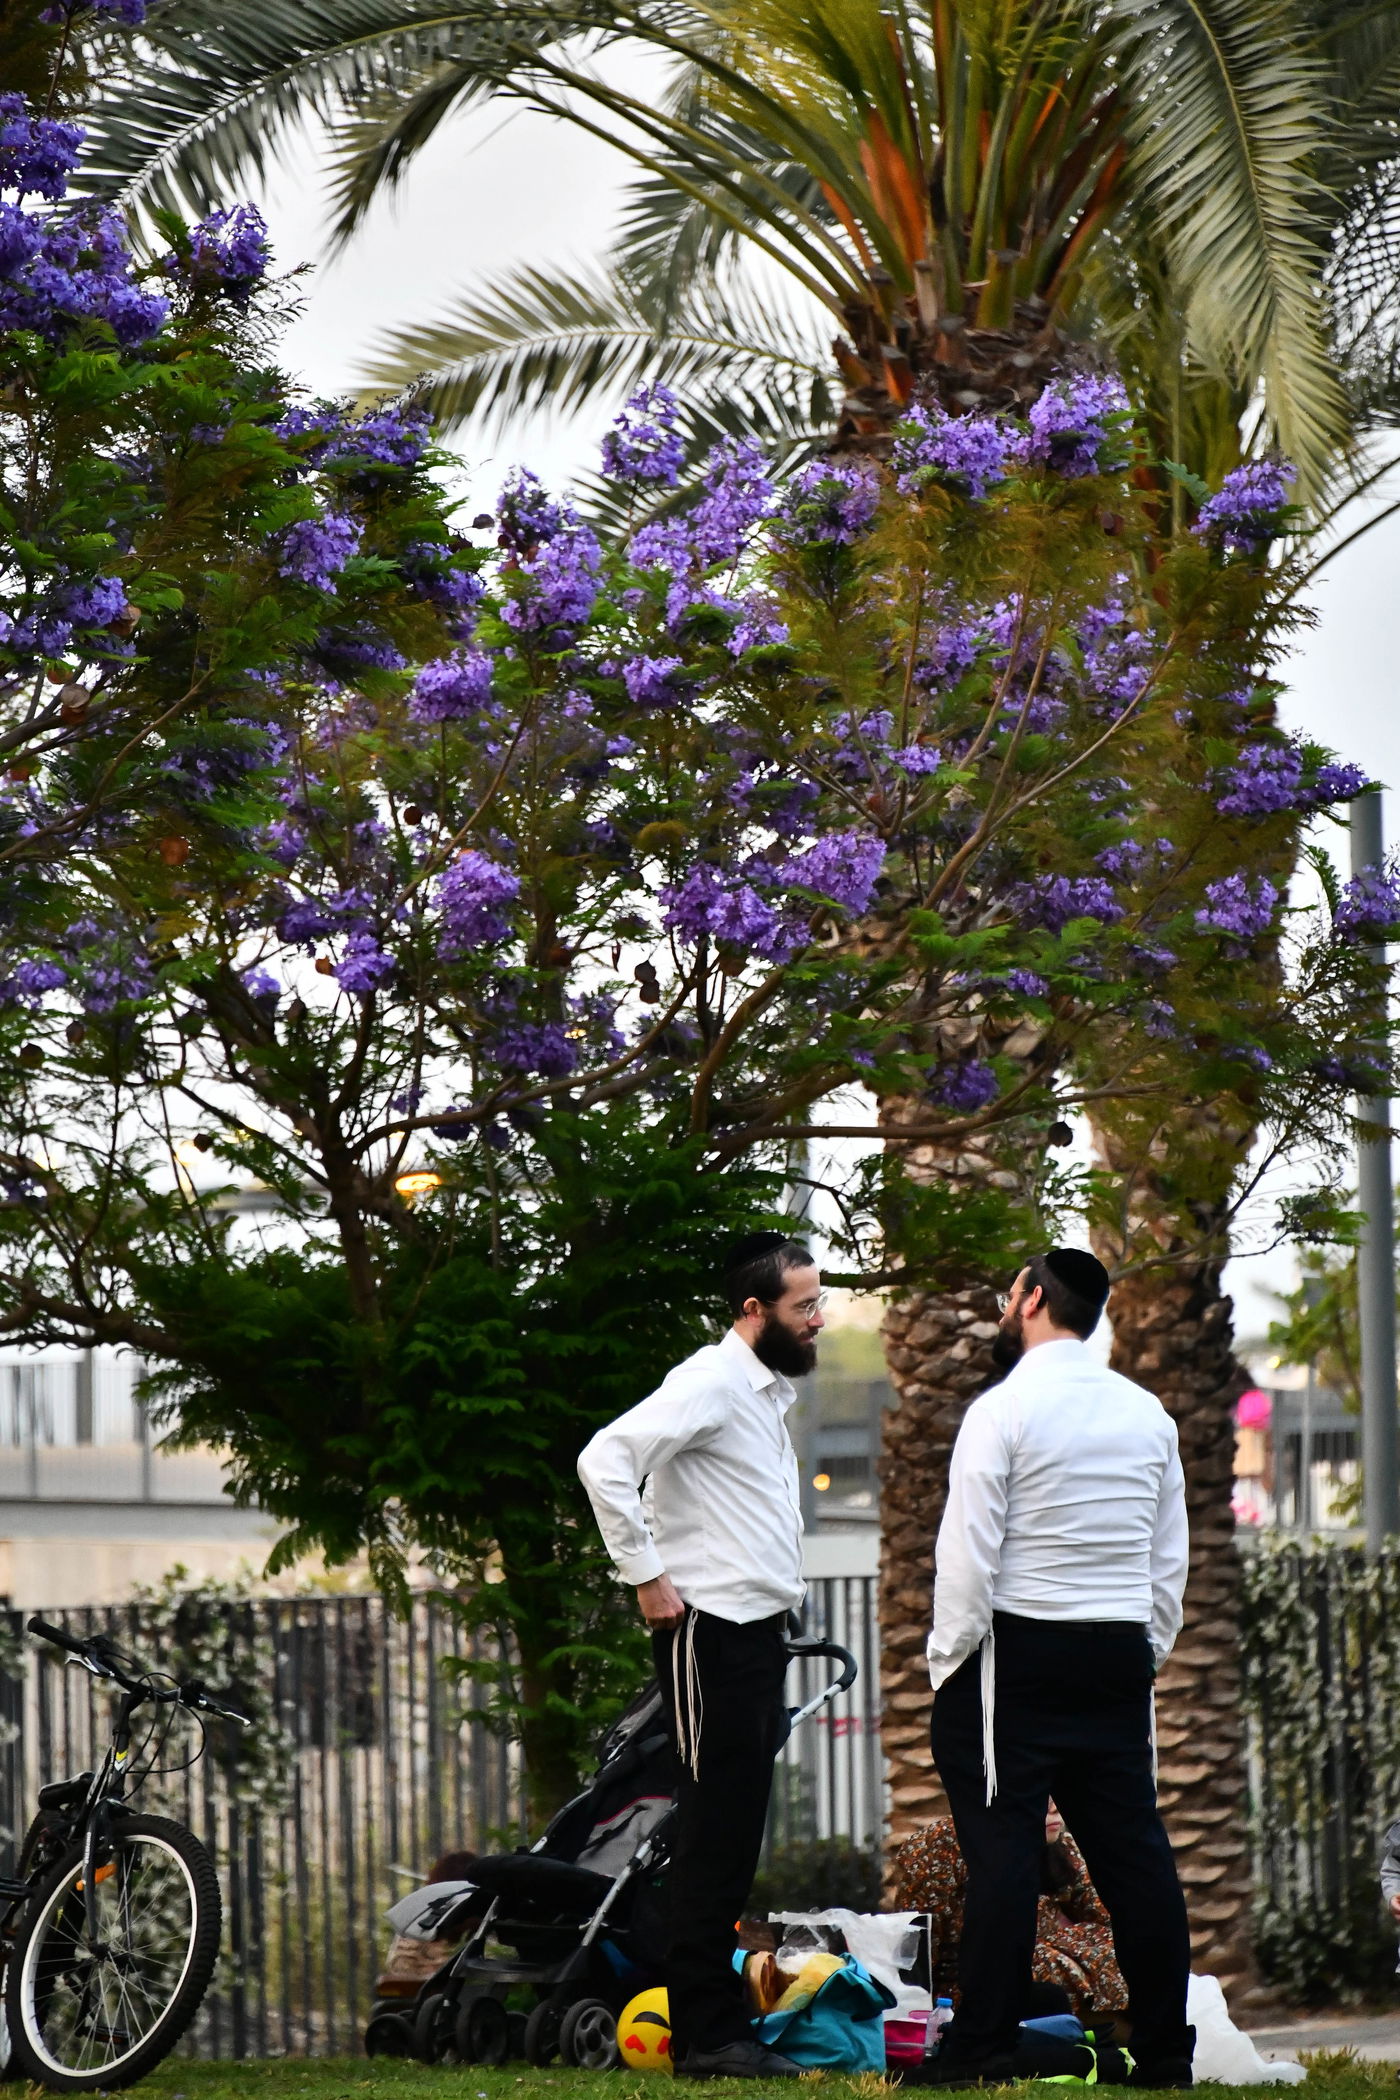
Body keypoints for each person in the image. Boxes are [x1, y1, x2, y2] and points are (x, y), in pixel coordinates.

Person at [925, 1247, 1194, 2090]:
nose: (1008, 1305)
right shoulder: (1148, 1413)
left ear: (1033, 1299)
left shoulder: (1002, 1410)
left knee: (1004, 1859)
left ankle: (980, 2050)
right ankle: (1162, 2056)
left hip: (1017, 1652)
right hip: (1117, 1653)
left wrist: (950, 1664)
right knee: (1137, 1860)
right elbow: (1168, 1562)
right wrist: (1144, 1652)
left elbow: (967, 1555)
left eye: (1012, 1293)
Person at [577, 1230, 826, 2082]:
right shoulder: (711, 1382)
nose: (820, 1319)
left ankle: (712, 2032)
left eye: (819, 1302)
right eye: (805, 1306)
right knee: (713, 1830)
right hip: (709, 1633)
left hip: (755, 1635)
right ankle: (707, 2038)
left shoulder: (762, 1394)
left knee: (733, 1830)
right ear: (753, 1311)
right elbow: (603, 1459)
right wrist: (646, 1576)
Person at [894, 1803, 1128, 2021]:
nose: (1053, 1808)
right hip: (961, 1993)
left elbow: (1108, 1919)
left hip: (1038, 1972)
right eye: (1040, 1792)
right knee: (1030, 1961)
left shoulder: (1060, 1844)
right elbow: (916, 1952)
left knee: (1133, 1947)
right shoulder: (942, 1845)